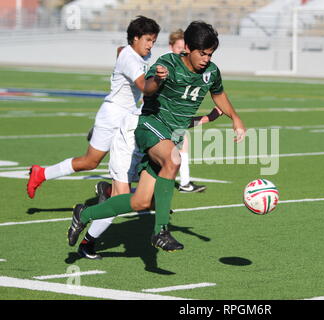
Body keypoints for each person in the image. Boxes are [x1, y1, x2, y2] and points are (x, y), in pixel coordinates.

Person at [67, 21, 246, 253]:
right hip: (150, 126)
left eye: (210, 54)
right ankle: (160, 231)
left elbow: (219, 95)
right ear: (188, 48)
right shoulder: (167, 63)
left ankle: (85, 213)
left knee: (140, 201)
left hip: (171, 136)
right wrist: (158, 79)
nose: (206, 59)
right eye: (202, 53)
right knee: (173, 160)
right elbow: (148, 88)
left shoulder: (211, 72)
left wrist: (235, 118)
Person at [26, 16, 160, 199]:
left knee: (138, 159)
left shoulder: (136, 53)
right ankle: (42, 174)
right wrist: (160, 80)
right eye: (148, 40)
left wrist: (121, 54)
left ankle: (126, 193)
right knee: (90, 162)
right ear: (135, 37)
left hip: (127, 116)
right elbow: (144, 87)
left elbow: (120, 49)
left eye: (153, 41)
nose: (151, 45)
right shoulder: (130, 59)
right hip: (113, 115)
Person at [169, 29, 210, 193]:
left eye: (183, 47)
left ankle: (185, 183)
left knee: (183, 142)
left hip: (175, 119)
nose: (182, 50)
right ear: (171, 47)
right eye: (179, 47)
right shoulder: (169, 65)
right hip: (159, 118)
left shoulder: (185, 66)